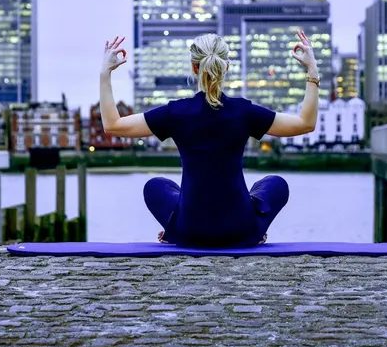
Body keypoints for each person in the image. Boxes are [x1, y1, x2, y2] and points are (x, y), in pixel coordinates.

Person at [99, 30, 319, 248]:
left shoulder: (176, 112)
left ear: (194, 68)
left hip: (190, 232)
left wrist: (105, 73)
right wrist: (312, 71)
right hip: (241, 231)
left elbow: (112, 125)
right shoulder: (244, 111)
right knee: (275, 184)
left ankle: (173, 230)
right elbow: (305, 123)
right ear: (226, 67)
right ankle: (256, 231)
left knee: (155, 186)